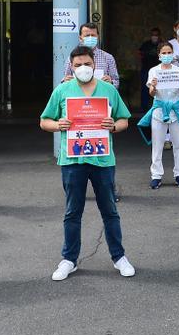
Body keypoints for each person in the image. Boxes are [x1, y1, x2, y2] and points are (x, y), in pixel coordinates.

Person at [39, 46, 135, 282]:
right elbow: (44, 121)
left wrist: (113, 125)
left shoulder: (108, 90)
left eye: (87, 64)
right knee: (73, 211)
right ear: (71, 67)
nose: (83, 68)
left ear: (95, 65)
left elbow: (124, 120)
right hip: (73, 160)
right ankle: (69, 259)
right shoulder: (62, 90)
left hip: (103, 160)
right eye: (78, 64)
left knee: (110, 211)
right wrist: (58, 125)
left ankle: (119, 257)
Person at [143, 41, 179, 189]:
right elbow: (151, 93)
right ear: (159, 55)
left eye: (169, 52)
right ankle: (156, 175)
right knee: (158, 144)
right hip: (159, 110)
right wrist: (154, 86)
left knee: (178, 144)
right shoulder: (154, 71)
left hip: (176, 110)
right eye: (164, 53)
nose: (167, 55)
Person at [62, 23, 121, 88]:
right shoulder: (72, 58)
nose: (90, 38)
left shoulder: (108, 58)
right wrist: (65, 81)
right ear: (80, 38)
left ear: (98, 37)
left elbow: (116, 82)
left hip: (101, 95)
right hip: (78, 96)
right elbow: (64, 81)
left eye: (93, 35)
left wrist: (111, 82)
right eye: (87, 36)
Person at [139, 27, 162, 111]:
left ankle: (157, 108)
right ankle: (144, 108)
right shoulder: (146, 44)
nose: (154, 37)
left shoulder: (162, 45)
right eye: (153, 35)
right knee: (145, 89)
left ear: (159, 36)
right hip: (146, 70)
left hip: (159, 71)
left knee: (158, 89)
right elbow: (139, 53)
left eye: (156, 35)